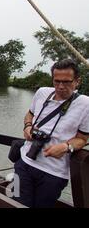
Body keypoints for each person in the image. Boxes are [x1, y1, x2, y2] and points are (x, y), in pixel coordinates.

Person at [14, 59, 89, 207]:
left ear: (77, 81)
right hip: (24, 163)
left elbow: (82, 139)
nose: (60, 86)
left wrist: (66, 147)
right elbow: (29, 114)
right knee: (15, 202)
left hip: (53, 174)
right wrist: (28, 126)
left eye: (67, 82)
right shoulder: (42, 92)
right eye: (57, 81)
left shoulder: (85, 104)